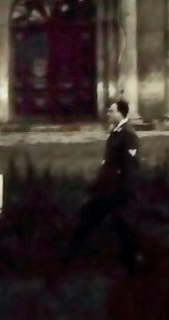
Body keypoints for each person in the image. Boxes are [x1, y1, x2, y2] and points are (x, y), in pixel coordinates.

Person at [59, 99, 144, 277]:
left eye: (112, 111)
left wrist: (128, 191)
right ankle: (70, 258)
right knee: (89, 220)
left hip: (117, 190)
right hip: (107, 189)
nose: (108, 114)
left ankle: (133, 265)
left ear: (121, 113)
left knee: (121, 227)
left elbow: (130, 166)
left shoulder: (128, 134)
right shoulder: (116, 132)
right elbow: (109, 163)